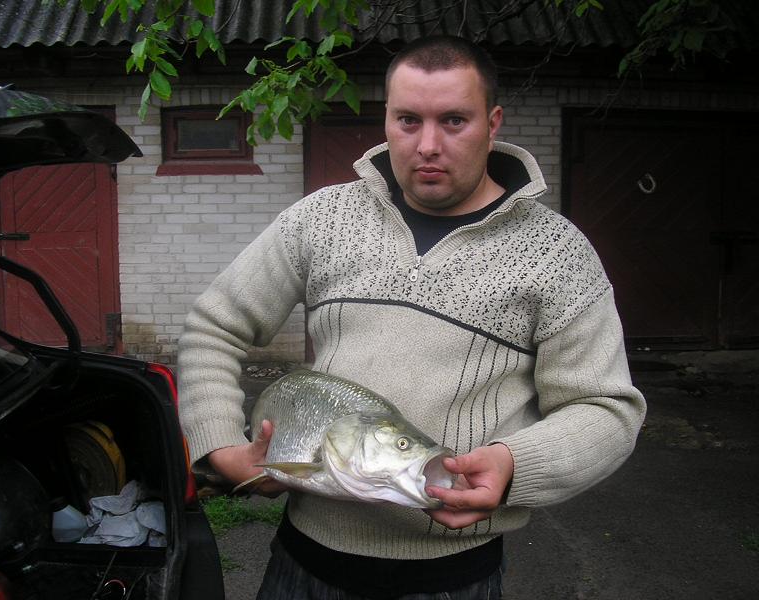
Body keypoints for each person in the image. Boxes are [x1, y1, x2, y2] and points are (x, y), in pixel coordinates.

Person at [178, 35, 646, 599]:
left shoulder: (556, 253)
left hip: (451, 579)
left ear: (493, 123)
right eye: (407, 121)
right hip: (302, 564)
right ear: (386, 120)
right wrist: (220, 445)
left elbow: (606, 409)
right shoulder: (323, 218)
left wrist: (513, 465)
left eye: (454, 121)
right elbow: (214, 327)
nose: (427, 145)